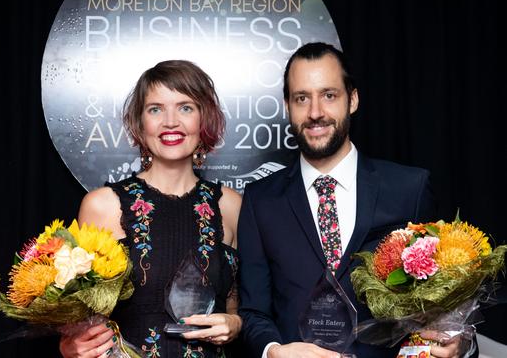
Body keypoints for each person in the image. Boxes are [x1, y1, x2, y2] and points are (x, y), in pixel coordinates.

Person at [237, 42, 473, 358]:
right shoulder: (260, 201)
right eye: (302, 98)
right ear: (287, 107)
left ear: (353, 99)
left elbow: (443, 303)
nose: (315, 112)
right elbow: (253, 312)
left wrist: (460, 344)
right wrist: (273, 350)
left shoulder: (409, 189)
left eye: (329, 95)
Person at [60, 60, 243, 358]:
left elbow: (234, 305)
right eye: (155, 109)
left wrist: (234, 323)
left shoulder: (230, 206)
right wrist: (71, 346)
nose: (170, 121)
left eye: (186, 107)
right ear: (140, 123)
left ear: (204, 120)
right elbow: (79, 324)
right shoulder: (101, 206)